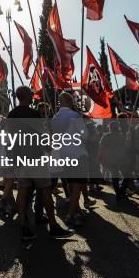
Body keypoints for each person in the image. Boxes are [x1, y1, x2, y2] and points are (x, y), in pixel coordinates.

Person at [7, 86, 73, 241]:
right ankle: (54, 226)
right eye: (31, 94)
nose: (33, 96)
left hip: (20, 159)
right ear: (26, 96)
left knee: (22, 192)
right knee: (45, 190)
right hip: (35, 157)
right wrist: (49, 147)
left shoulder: (11, 115)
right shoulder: (33, 114)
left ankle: (23, 226)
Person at [53, 92, 88, 229]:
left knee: (72, 183)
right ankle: (70, 214)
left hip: (63, 153)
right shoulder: (74, 116)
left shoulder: (55, 118)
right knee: (78, 184)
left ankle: (77, 211)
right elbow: (85, 134)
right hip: (78, 152)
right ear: (69, 100)